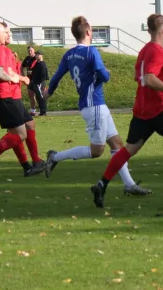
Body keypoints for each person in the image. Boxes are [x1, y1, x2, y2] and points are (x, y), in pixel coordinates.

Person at [90, 14, 163, 208]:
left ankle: (101, 184)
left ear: (149, 30)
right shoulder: (157, 52)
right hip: (158, 110)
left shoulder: (145, 50)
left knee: (129, 150)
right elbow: (150, 79)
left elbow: (141, 77)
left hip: (141, 109)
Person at [43, 16, 149, 196]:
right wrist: (105, 73)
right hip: (95, 106)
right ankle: (56, 157)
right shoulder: (92, 52)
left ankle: (129, 184)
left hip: (93, 105)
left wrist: (49, 92)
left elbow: (56, 76)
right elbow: (104, 76)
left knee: (116, 144)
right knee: (97, 151)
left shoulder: (69, 54)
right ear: (88, 32)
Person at [0, 23, 45, 177]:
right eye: (6, 32)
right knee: (20, 133)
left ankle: (30, 165)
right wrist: (18, 78)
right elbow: (0, 73)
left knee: (24, 127)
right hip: (3, 95)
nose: (8, 35)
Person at [30, 50, 49, 116]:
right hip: (36, 82)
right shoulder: (37, 63)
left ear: (41, 55)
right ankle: (42, 111)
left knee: (41, 96)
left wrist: (39, 82)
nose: (36, 56)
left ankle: (43, 111)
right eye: (36, 55)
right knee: (38, 97)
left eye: (38, 54)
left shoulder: (42, 64)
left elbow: (44, 74)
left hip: (40, 83)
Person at [21, 46, 38, 116]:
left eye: (31, 50)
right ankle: (33, 110)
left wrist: (34, 72)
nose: (30, 52)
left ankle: (43, 110)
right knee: (31, 95)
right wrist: (23, 75)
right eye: (28, 51)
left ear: (34, 51)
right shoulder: (27, 59)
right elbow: (22, 67)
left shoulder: (37, 58)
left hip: (36, 79)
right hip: (29, 79)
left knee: (39, 96)